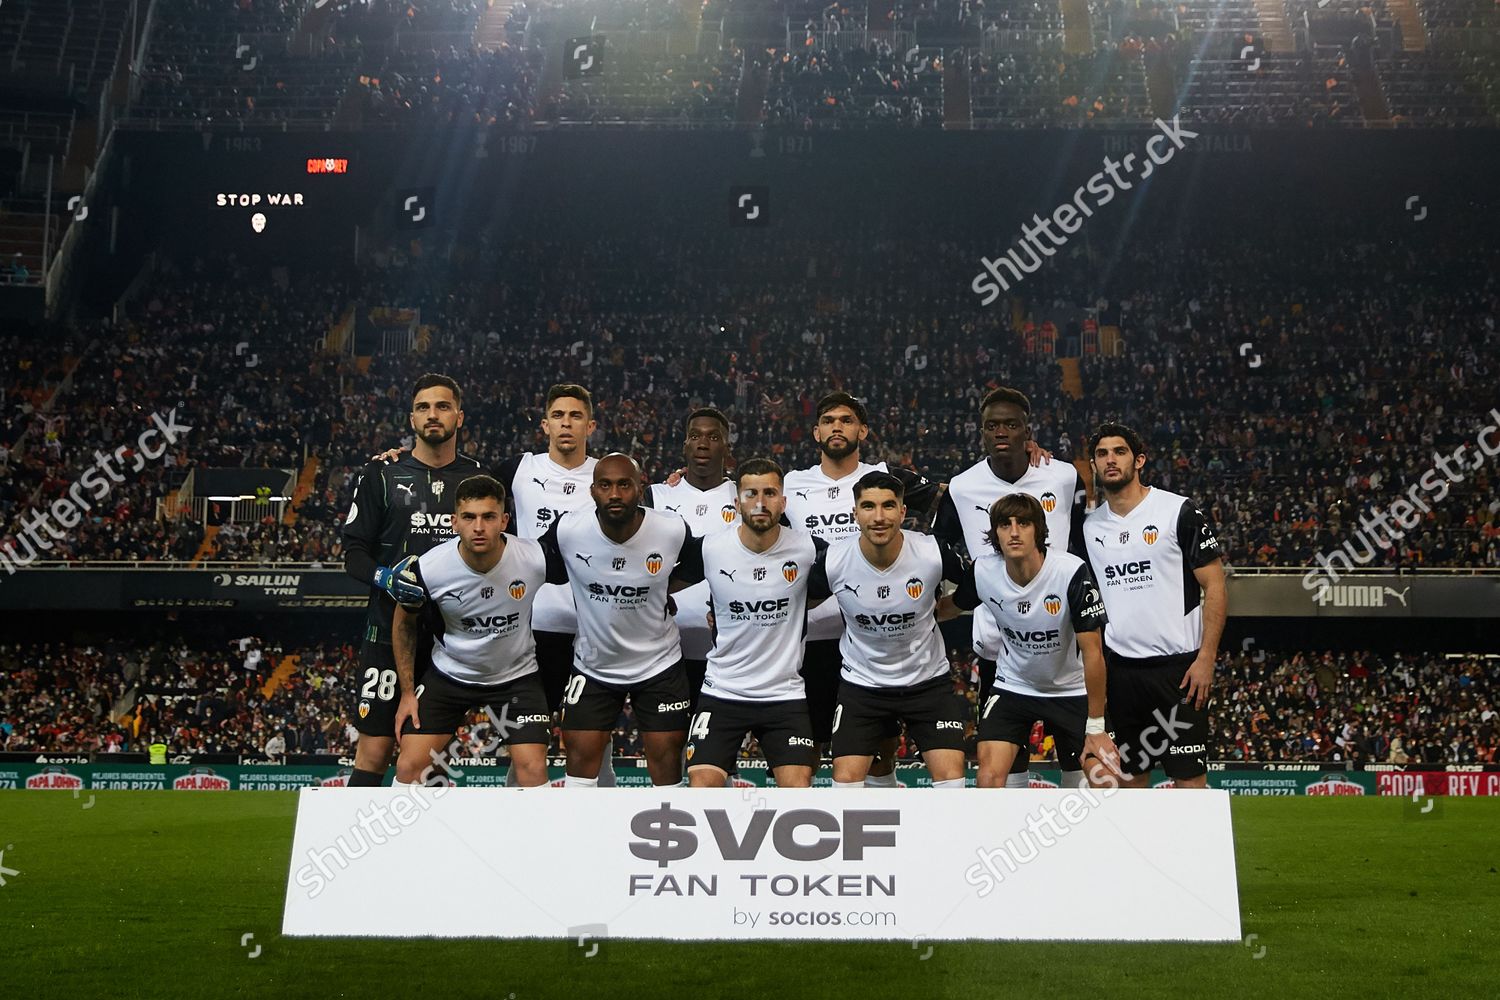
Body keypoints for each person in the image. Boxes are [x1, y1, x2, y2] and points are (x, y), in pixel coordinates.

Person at [782, 391, 942, 786]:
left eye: (847, 420)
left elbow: (949, 500)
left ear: (863, 430)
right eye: (829, 420)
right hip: (813, 637)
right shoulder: (792, 483)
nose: (838, 426)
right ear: (816, 432)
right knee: (813, 746)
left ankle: (880, 818)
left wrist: (934, 576)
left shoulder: (884, 477)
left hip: (877, 641)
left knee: (880, 749)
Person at [933, 386, 1083, 786]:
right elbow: (939, 544)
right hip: (1001, 651)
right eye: (992, 425)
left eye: (1011, 425)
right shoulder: (963, 487)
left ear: (1027, 431)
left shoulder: (1063, 476)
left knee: (1079, 772)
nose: (1001, 432)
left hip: (1066, 651)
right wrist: (969, 573)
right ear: (981, 432)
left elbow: (1082, 540)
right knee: (1004, 771)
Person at [341, 373, 482, 786]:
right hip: (388, 632)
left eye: (441, 406)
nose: (432, 415)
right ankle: (361, 851)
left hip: (452, 640)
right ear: (411, 418)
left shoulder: (478, 479)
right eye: (423, 407)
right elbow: (353, 554)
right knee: (375, 750)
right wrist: (386, 577)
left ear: (459, 415)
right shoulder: (381, 474)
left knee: (429, 759)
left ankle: (425, 849)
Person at [939, 493, 1121, 788]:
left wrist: (1097, 726)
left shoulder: (1070, 572)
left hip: (1071, 690)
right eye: (1004, 524)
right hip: (1015, 686)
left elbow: (1093, 652)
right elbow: (948, 609)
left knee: (1107, 779)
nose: (1013, 532)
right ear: (994, 533)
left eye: (1023, 523)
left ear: (1038, 529)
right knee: (987, 778)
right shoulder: (984, 571)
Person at [539, 453, 698, 787]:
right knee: (579, 777)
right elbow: (530, 564)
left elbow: (700, 565)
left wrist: (664, 587)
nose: (614, 494)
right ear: (592, 491)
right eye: (605, 485)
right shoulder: (569, 529)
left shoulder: (670, 529)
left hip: (659, 665)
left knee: (668, 774)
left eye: (624, 485)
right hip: (594, 666)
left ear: (640, 489)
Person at [1083, 422, 1227, 788]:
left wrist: (1206, 659)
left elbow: (1216, 585)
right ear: (1093, 465)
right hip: (1122, 676)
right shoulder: (1088, 527)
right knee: (1128, 788)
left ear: (1139, 460)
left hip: (1179, 674)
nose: (1110, 460)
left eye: (1120, 451)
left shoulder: (1177, 511)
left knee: (1189, 786)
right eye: (1102, 454)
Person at [672, 458, 828, 787]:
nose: (760, 502)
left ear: (783, 502)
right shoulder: (711, 548)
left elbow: (853, 572)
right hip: (723, 691)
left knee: (799, 787)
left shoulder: (809, 549)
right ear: (736, 501)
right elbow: (658, 581)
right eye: (751, 493)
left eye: (770, 493)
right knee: (701, 785)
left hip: (784, 693)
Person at [389, 475, 552, 788]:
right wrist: (408, 693)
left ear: (504, 520)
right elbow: (403, 623)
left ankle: (529, 837)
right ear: (454, 522)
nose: (479, 527)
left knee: (532, 771)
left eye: (489, 517)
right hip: (450, 675)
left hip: (516, 677)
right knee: (410, 767)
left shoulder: (534, 559)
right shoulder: (429, 568)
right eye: (469, 517)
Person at [819, 471, 971, 788]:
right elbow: (794, 601)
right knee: (844, 785)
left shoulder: (933, 552)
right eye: (868, 506)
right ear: (855, 512)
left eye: (888, 506)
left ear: (902, 511)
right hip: (863, 684)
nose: (879, 517)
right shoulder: (833, 561)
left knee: (953, 784)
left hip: (927, 682)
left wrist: (946, 608)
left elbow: (978, 584)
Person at [643, 407, 739, 712]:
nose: (702, 443)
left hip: (729, 650)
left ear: (726, 447)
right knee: (667, 747)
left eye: (713, 437)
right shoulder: (656, 497)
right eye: (695, 436)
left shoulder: (745, 498)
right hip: (664, 649)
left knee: (719, 750)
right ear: (684, 444)